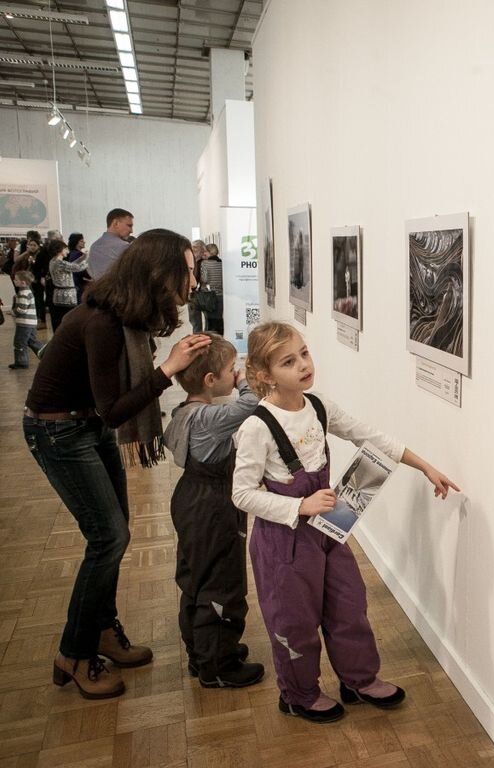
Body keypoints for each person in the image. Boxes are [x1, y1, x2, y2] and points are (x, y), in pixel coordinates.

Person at [232, 322, 460, 723]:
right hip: (283, 544)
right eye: (289, 361)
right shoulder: (256, 427)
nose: (304, 365)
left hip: (328, 532)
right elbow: (242, 494)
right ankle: (299, 694)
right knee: (294, 620)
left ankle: (358, 679)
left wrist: (423, 465)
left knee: (348, 605)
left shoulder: (318, 406)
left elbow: (368, 435)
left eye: (304, 353)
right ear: (265, 375)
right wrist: (299, 506)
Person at [23, 229, 211, 700]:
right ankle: (74, 651)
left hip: (85, 426)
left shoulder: (125, 316)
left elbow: (104, 412)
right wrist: (167, 371)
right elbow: (114, 410)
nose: (192, 279)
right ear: (157, 272)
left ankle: (103, 630)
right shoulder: (102, 323)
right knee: (109, 537)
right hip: (58, 430)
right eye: (185, 270)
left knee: (114, 531)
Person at [163, 333, 264, 689]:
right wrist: (244, 383)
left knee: (195, 577)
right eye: (230, 370)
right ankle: (218, 665)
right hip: (212, 505)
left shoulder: (183, 412)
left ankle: (202, 652)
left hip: (189, 499)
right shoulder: (209, 418)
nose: (235, 374)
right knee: (222, 581)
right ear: (210, 381)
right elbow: (252, 404)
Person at [48, 240, 88, 331]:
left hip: (59, 295)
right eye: (66, 249)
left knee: (60, 320)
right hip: (66, 296)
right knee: (68, 320)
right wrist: (89, 258)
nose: (68, 251)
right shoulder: (59, 263)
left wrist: (83, 257)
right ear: (60, 250)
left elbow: (71, 265)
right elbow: (78, 268)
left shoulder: (53, 261)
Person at [10, 270, 45, 369]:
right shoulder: (28, 291)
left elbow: (22, 309)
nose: (14, 280)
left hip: (24, 323)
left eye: (16, 279)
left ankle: (21, 362)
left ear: (23, 282)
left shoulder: (23, 293)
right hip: (31, 323)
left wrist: (14, 311)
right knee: (32, 341)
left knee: (19, 342)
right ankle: (46, 355)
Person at [87, 208, 134, 279]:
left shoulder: (94, 246)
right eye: (129, 225)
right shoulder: (123, 246)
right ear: (115, 223)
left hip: (99, 288)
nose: (131, 231)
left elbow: (90, 272)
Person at [198, 243, 224, 334]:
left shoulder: (205, 263)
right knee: (219, 319)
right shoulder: (221, 263)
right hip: (221, 295)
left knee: (210, 321)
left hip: (209, 296)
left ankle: (211, 342)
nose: (204, 253)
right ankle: (220, 338)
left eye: (205, 251)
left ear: (208, 252)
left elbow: (204, 279)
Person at [187, 240, 207, 333]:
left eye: (195, 247)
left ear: (202, 250)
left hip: (202, 295)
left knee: (204, 321)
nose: (193, 249)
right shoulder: (192, 263)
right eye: (192, 247)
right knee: (195, 321)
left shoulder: (204, 263)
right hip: (194, 294)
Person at [66, 233, 91, 303]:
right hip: (79, 283)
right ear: (76, 242)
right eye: (81, 241)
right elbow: (81, 270)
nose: (84, 242)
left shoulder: (71, 253)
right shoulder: (78, 254)